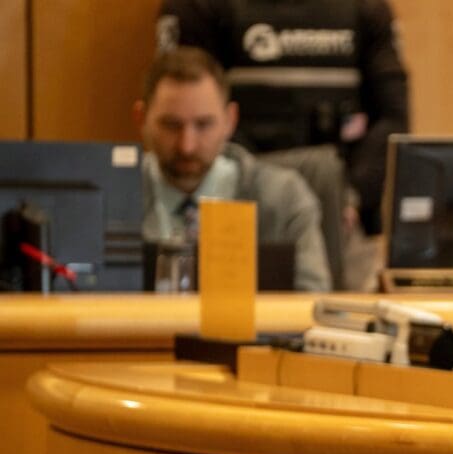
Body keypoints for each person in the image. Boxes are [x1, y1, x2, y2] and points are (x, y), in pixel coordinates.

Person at [154, 0, 410, 239]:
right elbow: (189, 113)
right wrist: (259, 192)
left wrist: (353, 195)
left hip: (343, 211)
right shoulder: (199, 6)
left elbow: (394, 118)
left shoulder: (366, 7)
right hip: (234, 206)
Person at [134, 47, 332, 292]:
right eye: (171, 126)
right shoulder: (108, 197)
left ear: (230, 120)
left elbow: (310, 305)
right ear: (141, 119)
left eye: (204, 124)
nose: (187, 145)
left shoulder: (283, 197)